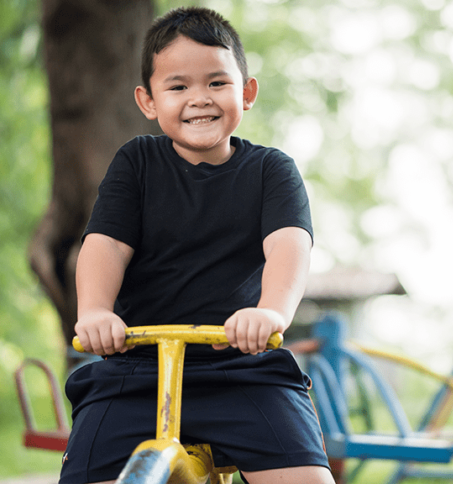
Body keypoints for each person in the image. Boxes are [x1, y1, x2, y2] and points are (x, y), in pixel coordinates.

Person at [58, 6, 335, 484]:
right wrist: (96, 311)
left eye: (217, 83)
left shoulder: (271, 171)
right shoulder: (137, 163)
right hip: (138, 371)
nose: (199, 99)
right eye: (178, 86)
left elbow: (290, 245)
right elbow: (105, 245)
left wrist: (270, 312)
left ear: (246, 93)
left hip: (241, 368)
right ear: (148, 101)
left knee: (306, 477)